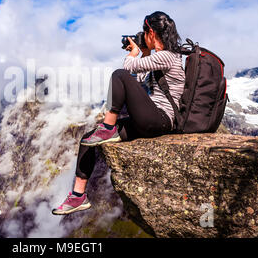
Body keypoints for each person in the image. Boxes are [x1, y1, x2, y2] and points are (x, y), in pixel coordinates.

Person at [52, 11, 186, 215]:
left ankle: (108, 127)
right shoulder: (160, 58)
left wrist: (134, 54)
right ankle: (78, 196)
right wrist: (145, 52)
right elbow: (138, 82)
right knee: (89, 138)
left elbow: (128, 69)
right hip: (150, 119)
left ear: (150, 31)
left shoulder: (168, 56)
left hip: (161, 120)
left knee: (119, 74)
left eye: (144, 31)